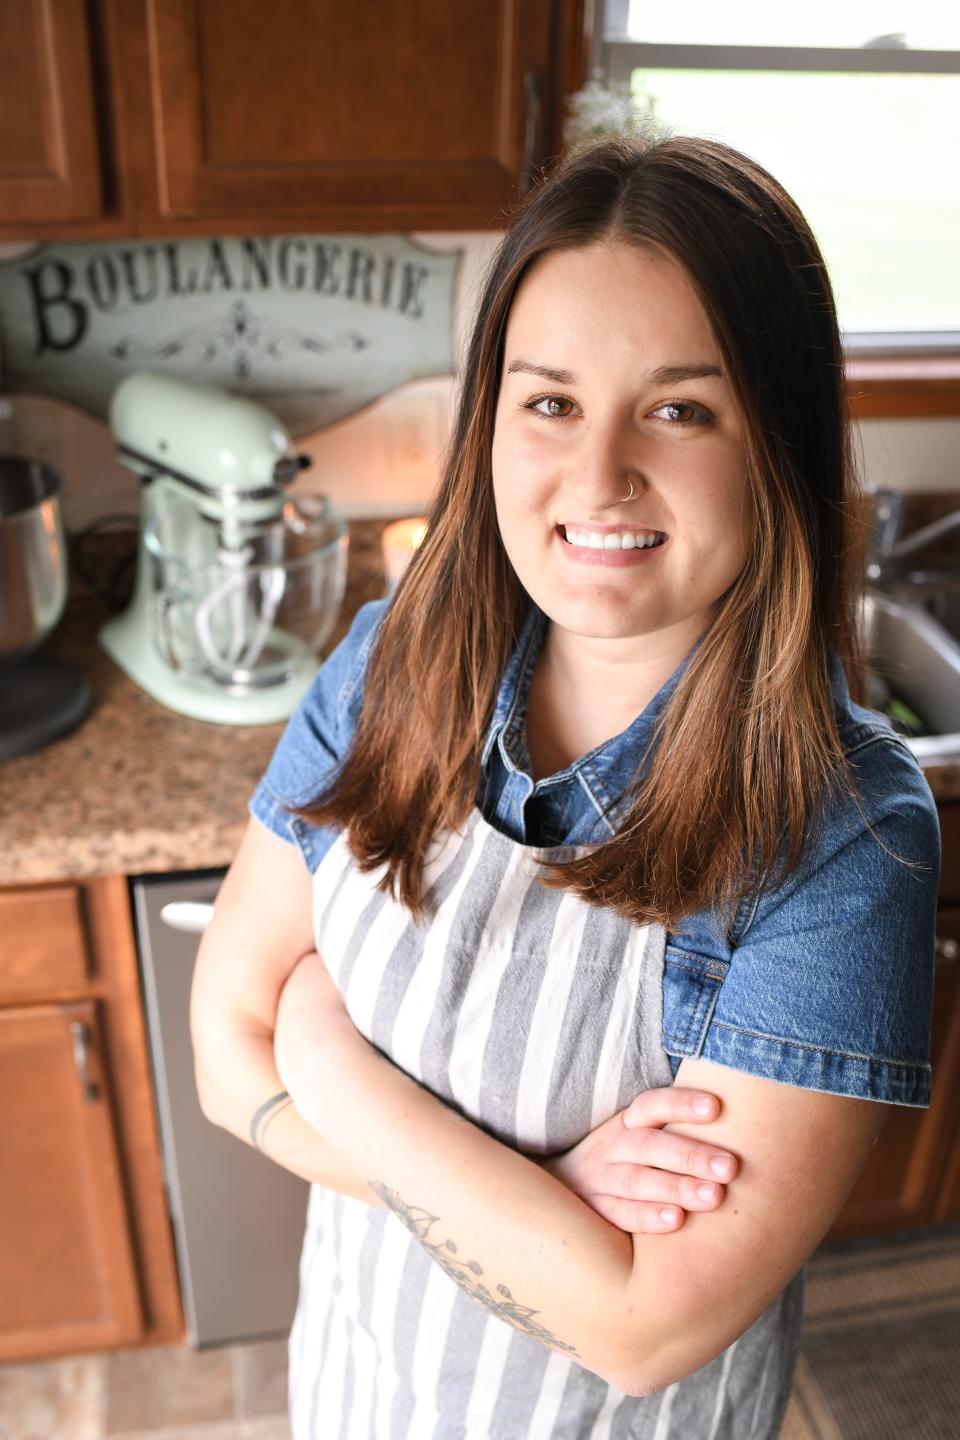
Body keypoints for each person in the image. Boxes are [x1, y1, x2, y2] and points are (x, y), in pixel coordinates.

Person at [190, 132, 940, 1439]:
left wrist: (326, 1055)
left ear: (778, 440)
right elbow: (217, 1055)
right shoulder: (390, 666)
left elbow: (649, 1326)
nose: (597, 478)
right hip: (363, 1387)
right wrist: (548, 1197)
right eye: (549, 403)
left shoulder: (844, 833)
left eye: (680, 408)